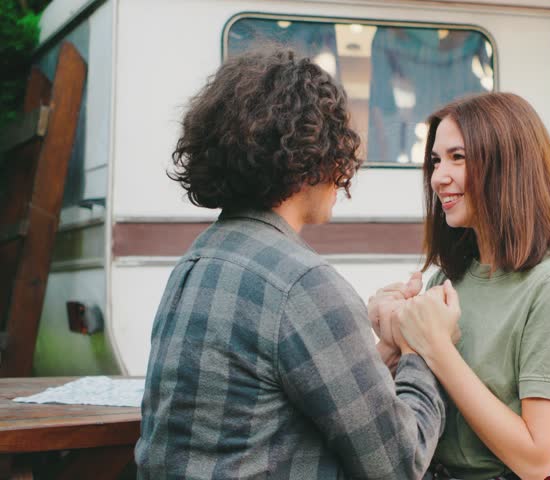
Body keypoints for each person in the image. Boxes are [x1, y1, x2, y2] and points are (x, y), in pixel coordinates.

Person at [135, 45, 447, 480]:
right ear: (311, 158)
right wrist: (421, 349)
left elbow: (278, 397)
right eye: (338, 148)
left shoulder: (196, 262)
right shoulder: (303, 284)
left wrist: (388, 353)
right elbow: (398, 464)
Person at [370, 92, 550, 480]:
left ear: (509, 165)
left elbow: (536, 459)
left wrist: (436, 347)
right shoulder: (449, 279)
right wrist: (392, 343)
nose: (439, 176)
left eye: (458, 158)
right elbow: (377, 411)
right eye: (436, 160)